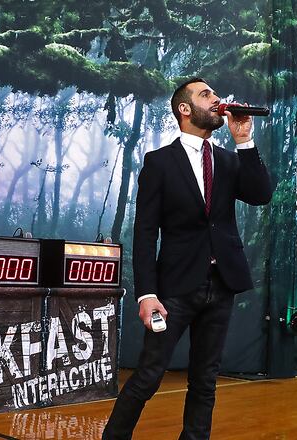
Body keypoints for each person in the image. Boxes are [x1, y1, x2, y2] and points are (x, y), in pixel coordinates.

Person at [102, 78, 273, 440]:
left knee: (205, 380)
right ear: (184, 109)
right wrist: (146, 294)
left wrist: (244, 140)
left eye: (215, 93)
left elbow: (261, 194)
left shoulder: (228, 160)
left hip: (221, 284)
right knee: (148, 376)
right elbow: (145, 232)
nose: (217, 99)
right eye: (206, 94)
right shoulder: (160, 162)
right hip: (175, 288)